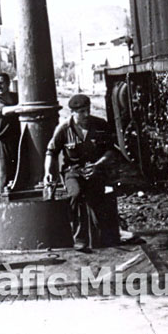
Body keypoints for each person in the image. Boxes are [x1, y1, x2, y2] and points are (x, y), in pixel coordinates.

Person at [44, 93, 118, 251]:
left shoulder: (100, 125)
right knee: (75, 194)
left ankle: (98, 238)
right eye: (81, 112)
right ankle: (79, 238)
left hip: (95, 168)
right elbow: (51, 152)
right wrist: (48, 173)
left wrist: (98, 165)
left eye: (87, 110)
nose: (86, 114)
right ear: (72, 112)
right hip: (73, 170)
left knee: (95, 198)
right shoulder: (64, 129)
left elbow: (111, 151)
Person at [0, 73, 21, 192]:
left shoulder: (16, 97)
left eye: (1, 83)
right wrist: (22, 107)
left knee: (19, 176)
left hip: (17, 142)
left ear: (8, 84)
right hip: (2, 143)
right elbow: (5, 111)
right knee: (4, 178)